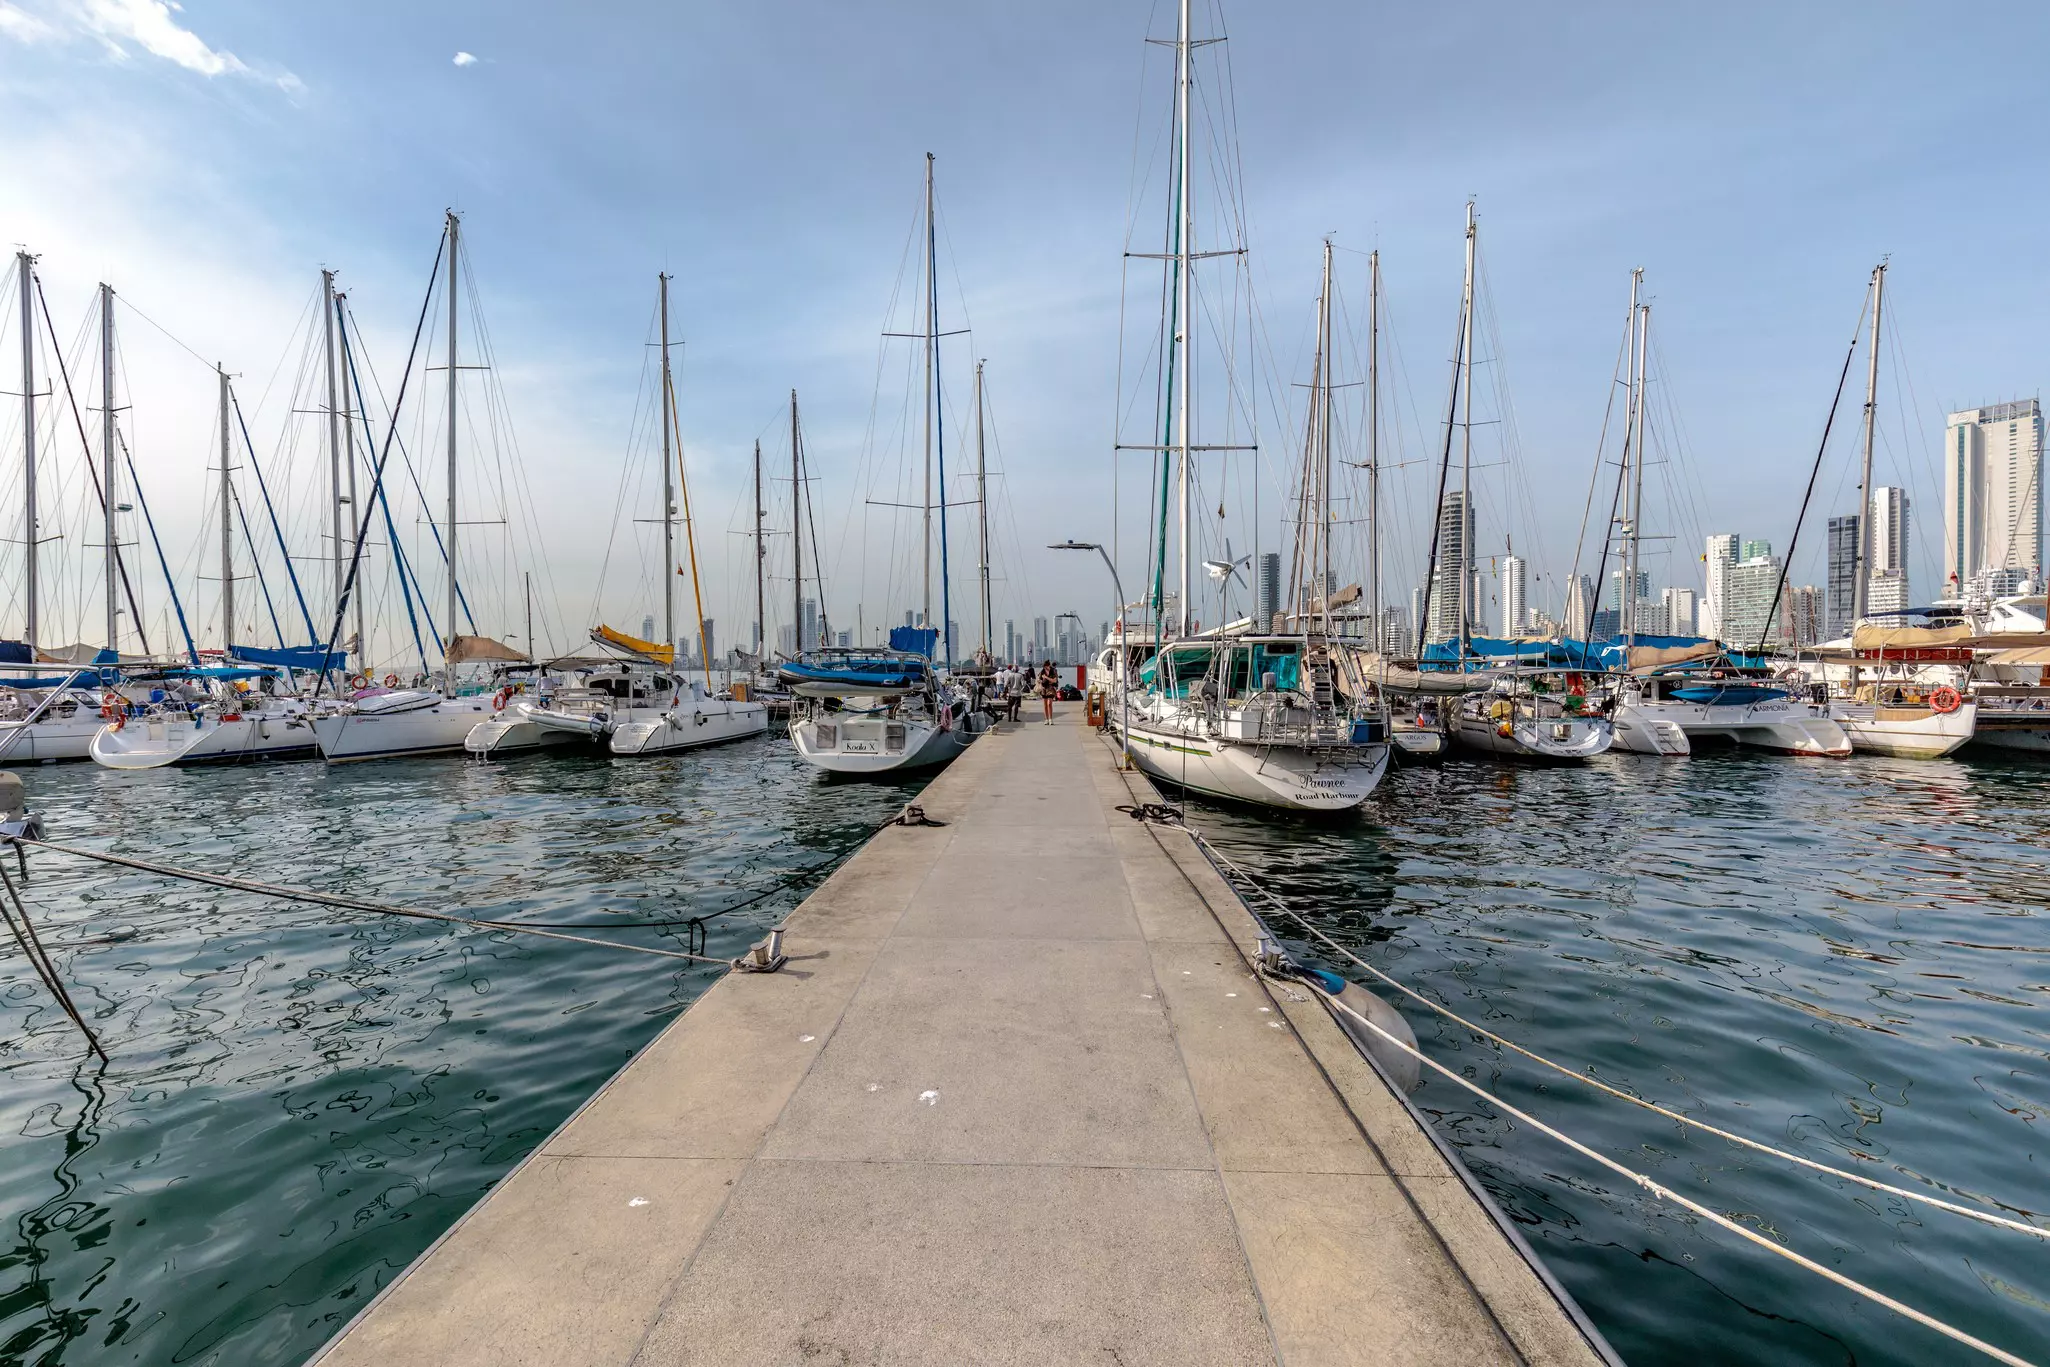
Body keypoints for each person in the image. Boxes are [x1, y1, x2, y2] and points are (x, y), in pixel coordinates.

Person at [1038, 660, 1059, 725]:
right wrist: (1041, 681)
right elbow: (1039, 679)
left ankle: (1050, 719)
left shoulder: (1053, 671)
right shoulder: (1042, 671)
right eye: (1044, 667)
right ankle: (1046, 719)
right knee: (1045, 705)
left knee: (1049, 704)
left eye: (1046, 666)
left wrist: (1046, 677)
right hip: (1044, 688)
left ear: (1049, 665)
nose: (1045, 668)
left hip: (1051, 689)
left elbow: (1054, 681)